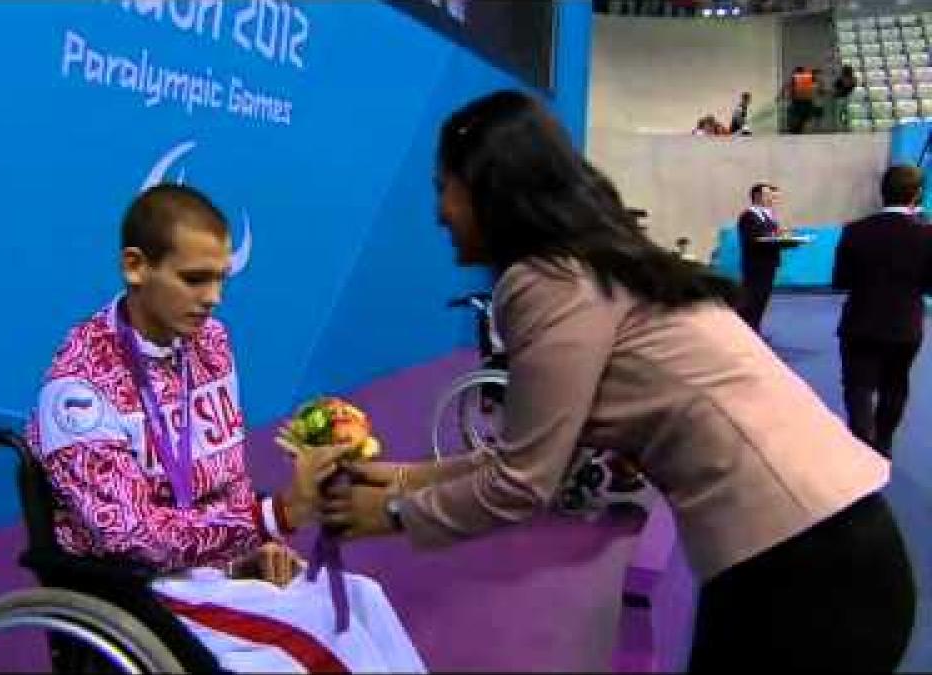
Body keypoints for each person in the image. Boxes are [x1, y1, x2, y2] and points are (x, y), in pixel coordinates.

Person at [314, 90, 915, 672]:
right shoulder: (595, 263)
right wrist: (401, 476)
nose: (439, 211)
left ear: (488, 188)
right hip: (836, 550)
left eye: (443, 188)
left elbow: (521, 486)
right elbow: (531, 457)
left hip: (804, 577)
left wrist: (389, 513)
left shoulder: (544, 279)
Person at [27, 183, 426, 673]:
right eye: (194, 279)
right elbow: (131, 537)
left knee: (362, 600)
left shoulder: (211, 342)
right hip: (146, 587)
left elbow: (227, 473)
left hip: (217, 567)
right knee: (325, 637)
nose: (213, 298)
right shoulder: (80, 388)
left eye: (220, 279)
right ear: (135, 267)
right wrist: (272, 515)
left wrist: (260, 544)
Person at [832, 164, 932, 457]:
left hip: (860, 322)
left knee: (858, 386)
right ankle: (884, 443)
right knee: (895, 386)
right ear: (917, 195)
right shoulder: (928, 235)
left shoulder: (854, 231)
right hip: (905, 326)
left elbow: (840, 281)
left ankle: (862, 443)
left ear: (882, 193)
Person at [736, 182, 787, 332]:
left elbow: (772, 235)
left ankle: (754, 327)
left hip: (768, 263)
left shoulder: (767, 215)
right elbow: (753, 239)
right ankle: (744, 328)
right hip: (755, 264)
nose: (770, 197)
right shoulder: (748, 216)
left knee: (762, 299)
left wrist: (781, 236)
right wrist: (773, 236)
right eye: (767, 194)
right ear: (757, 196)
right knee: (752, 298)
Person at [831, 64, 858, 131]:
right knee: (846, 112)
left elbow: (835, 86)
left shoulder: (841, 78)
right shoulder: (852, 79)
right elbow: (852, 86)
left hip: (839, 97)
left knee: (839, 113)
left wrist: (836, 92)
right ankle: (846, 126)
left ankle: (839, 126)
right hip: (847, 97)